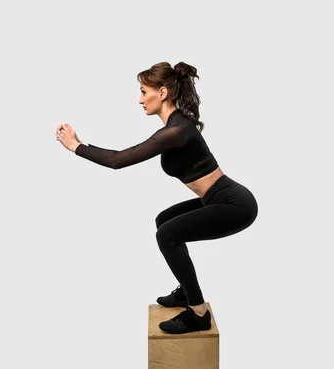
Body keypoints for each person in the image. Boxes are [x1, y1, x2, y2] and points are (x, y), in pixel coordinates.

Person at [55, 61, 258, 334]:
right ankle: (187, 291)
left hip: (236, 204)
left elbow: (118, 160)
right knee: (165, 220)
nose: (140, 99)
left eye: (143, 91)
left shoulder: (177, 130)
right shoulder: (174, 126)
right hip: (219, 199)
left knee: (167, 235)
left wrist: (76, 146)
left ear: (162, 93)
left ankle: (198, 312)